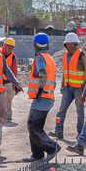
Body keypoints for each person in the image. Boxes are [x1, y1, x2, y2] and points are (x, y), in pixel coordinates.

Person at [26, 33, 62, 163]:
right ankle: (37, 154)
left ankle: (52, 147)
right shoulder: (50, 58)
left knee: (33, 127)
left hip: (42, 96)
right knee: (35, 126)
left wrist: (40, 91)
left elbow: (42, 74)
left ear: (35, 45)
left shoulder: (40, 58)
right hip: (47, 96)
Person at [52, 31, 86, 143]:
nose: (67, 45)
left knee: (80, 112)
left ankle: (80, 134)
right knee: (61, 111)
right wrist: (62, 85)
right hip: (68, 88)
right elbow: (65, 72)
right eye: (66, 44)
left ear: (74, 44)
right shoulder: (66, 55)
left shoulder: (81, 55)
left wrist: (85, 89)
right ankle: (58, 132)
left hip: (79, 89)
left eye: (69, 43)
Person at [0, 36, 22, 126]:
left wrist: (15, 83)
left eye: (12, 47)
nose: (10, 49)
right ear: (4, 45)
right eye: (8, 47)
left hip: (8, 82)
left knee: (8, 100)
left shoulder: (13, 57)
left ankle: (8, 117)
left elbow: (14, 70)